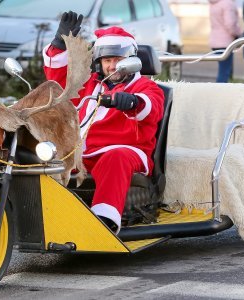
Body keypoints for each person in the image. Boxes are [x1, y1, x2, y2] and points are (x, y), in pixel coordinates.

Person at [43, 11, 164, 233]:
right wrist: (59, 46)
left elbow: (152, 108)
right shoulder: (91, 85)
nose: (112, 66)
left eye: (118, 60)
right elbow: (58, 84)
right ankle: (37, 214)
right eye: (107, 60)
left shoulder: (146, 87)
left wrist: (132, 102)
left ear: (131, 61)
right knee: (43, 152)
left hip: (127, 150)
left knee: (114, 158)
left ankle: (103, 222)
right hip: (83, 151)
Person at [209, 0, 241, 83]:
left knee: (223, 69)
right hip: (225, 41)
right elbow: (230, 24)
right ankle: (220, 93)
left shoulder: (214, 3)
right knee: (224, 72)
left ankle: (221, 90)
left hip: (215, 40)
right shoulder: (228, 4)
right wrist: (238, 34)